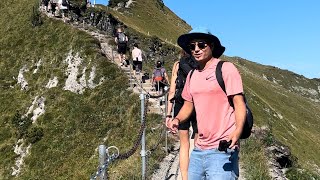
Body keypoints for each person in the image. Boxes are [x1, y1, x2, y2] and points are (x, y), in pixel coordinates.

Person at [167, 27, 246, 179]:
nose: (196, 49)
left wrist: (237, 131)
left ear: (211, 46)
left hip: (222, 150)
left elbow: (239, 103)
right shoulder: (192, 75)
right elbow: (188, 106)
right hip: (198, 151)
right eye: (192, 46)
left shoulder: (226, 68)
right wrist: (176, 119)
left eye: (201, 45)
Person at [166, 50, 199, 180]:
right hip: (197, 104)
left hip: (180, 104)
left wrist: (169, 115)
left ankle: (185, 177)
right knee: (198, 143)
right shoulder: (201, 64)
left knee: (184, 144)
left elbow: (172, 90)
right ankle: (197, 175)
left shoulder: (178, 64)